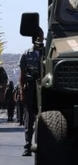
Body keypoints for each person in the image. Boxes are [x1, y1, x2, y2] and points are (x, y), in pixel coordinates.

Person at [20, 28, 44, 156]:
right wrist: (22, 91)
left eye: (42, 36)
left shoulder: (46, 53)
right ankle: (27, 146)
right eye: (39, 36)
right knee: (29, 117)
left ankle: (43, 144)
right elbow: (22, 75)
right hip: (30, 87)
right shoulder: (26, 54)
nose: (41, 38)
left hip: (43, 87)